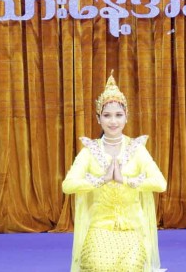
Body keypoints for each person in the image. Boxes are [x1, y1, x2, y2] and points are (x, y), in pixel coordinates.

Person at [62, 72, 167, 272]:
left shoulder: (136, 149)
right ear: (98, 118)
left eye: (118, 115)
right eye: (107, 115)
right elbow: (68, 185)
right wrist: (101, 180)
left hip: (132, 229)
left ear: (126, 117)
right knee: (98, 266)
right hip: (99, 228)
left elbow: (160, 183)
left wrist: (125, 180)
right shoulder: (90, 151)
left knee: (130, 267)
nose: (113, 121)